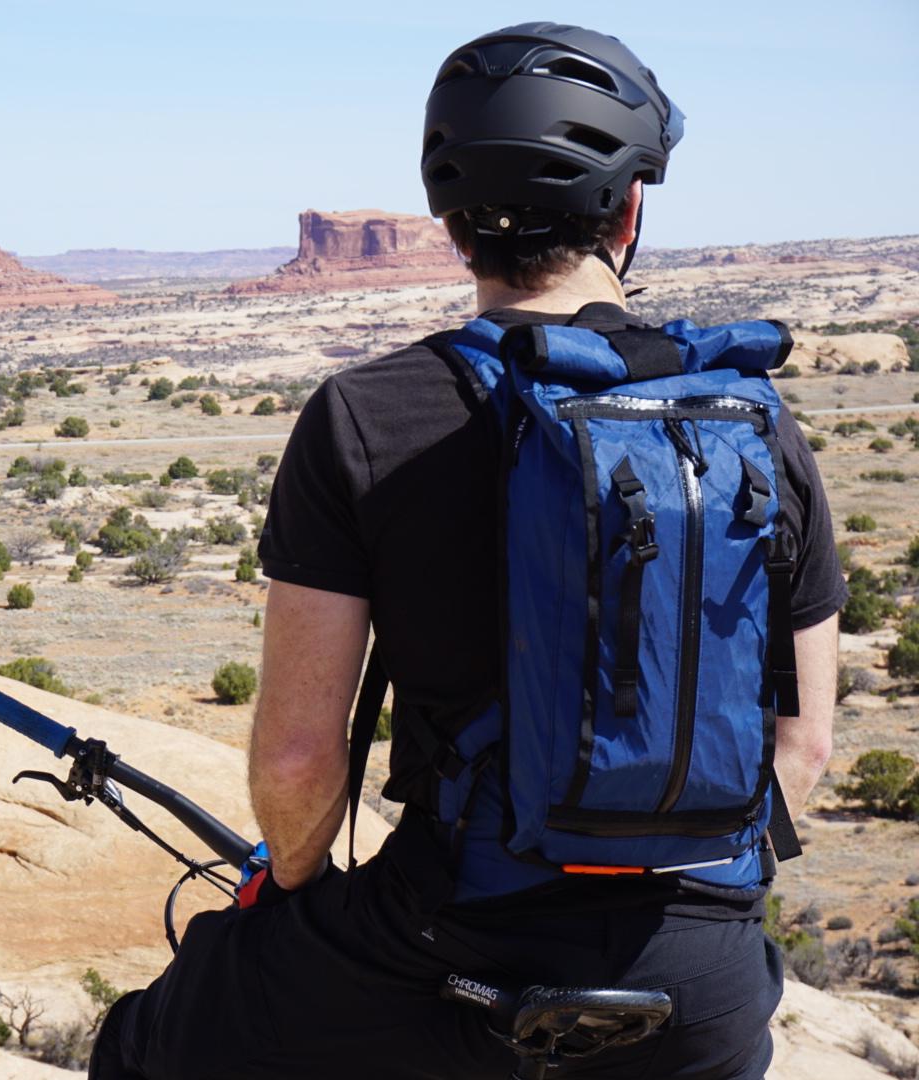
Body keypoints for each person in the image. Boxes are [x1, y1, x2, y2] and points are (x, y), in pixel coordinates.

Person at [91, 22, 843, 1080]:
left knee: (146, 1045)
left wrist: (295, 889)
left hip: (450, 947)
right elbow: (799, 751)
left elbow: (301, 761)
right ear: (628, 209)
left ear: (451, 228)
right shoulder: (747, 421)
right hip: (696, 976)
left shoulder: (366, 414)